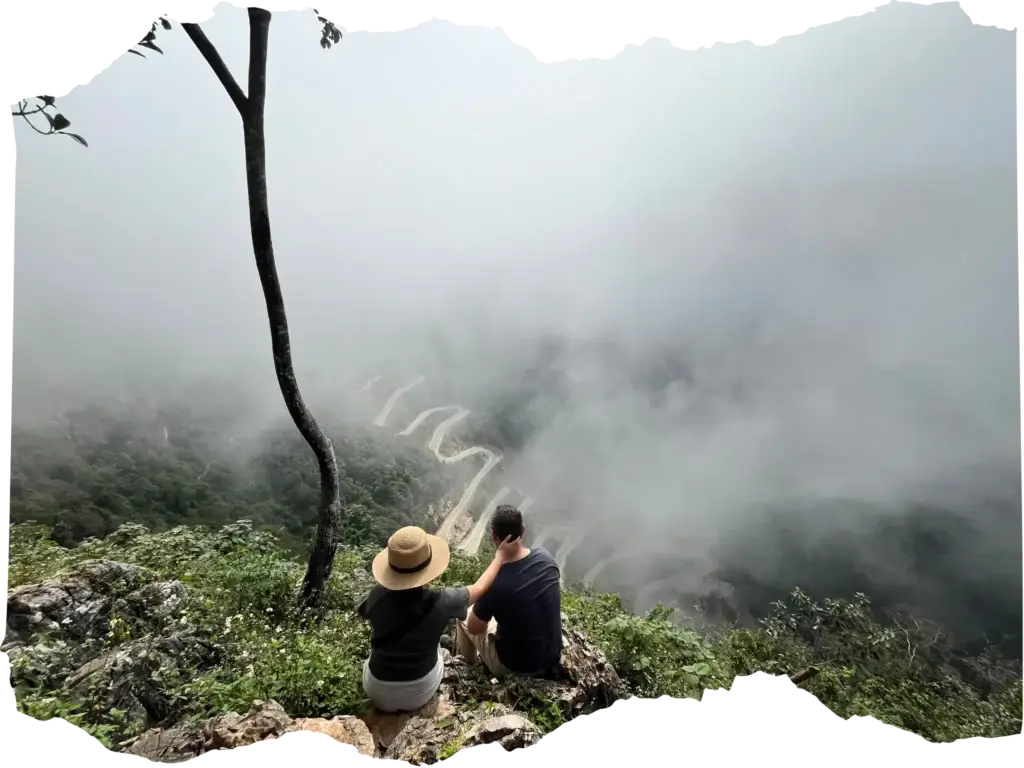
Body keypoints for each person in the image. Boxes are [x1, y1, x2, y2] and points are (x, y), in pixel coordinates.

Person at [357, 525, 518, 713]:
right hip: (419, 692)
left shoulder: (376, 595)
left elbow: (366, 612)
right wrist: (500, 556)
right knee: (438, 646)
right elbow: (480, 587)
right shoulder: (443, 601)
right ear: (427, 569)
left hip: (376, 690)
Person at [455, 505, 563, 678]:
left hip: (517, 668)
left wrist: (498, 560)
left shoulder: (496, 581)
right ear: (523, 530)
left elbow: (475, 628)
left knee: (463, 616)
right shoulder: (546, 559)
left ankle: (467, 667)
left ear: (494, 537)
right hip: (552, 659)